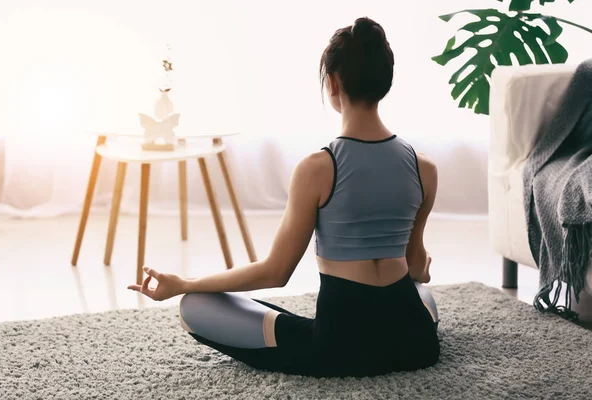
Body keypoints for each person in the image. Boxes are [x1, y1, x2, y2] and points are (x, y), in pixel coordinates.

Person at [128, 17, 440, 378]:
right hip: (415, 343)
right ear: (385, 83)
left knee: (194, 307)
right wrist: (418, 269)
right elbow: (416, 267)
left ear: (334, 83)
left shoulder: (319, 167)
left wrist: (185, 284)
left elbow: (276, 272)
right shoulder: (424, 168)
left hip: (341, 347)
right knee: (417, 295)